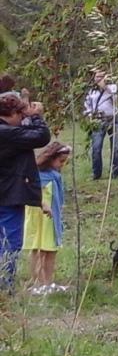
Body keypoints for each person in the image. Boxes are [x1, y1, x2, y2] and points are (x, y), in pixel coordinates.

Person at [0, 86, 52, 293]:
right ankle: (5, 287)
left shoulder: (8, 131)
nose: (23, 119)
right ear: (10, 115)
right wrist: (36, 116)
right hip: (8, 196)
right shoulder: (6, 133)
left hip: (6, 192)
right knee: (9, 244)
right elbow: (41, 137)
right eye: (20, 115)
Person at [23, 141, 72, 294]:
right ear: (50, 158)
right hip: (39, 216)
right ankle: (37, 283)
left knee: (51, 249)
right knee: (38, 249)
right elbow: (31, 191)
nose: (62, 165)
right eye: (60, 161)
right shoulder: (38, 176)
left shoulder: (55, 176)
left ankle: (48, 283)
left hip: (52, 217)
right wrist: (42, 203)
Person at [84, 70, 118, 180]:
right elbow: (87, 105)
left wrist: (106, 88)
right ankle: (96, 174)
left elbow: (116, 101)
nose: (99, 79)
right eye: (97, 76)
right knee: (96, 147)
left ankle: (114, 173)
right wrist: (89, 115)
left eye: (102, 76)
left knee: (115, 148)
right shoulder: (92, 91)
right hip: (98, 121)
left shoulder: (112, 88)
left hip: (113, 120)